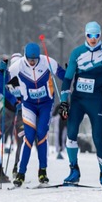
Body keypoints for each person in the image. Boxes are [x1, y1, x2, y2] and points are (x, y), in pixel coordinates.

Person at [58, 21, 102, 189]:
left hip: (95, 100)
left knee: (98, 138)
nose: (93, 39)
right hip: (78, 100)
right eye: (90, 35)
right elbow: (67, 79)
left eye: (96, 35)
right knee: (71, 133)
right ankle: (74, 170)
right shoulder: (77, 53)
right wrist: (63, 102)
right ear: (85, 35)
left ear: (100, 35)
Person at [5, 43, 66, 187]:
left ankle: (42, 171)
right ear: (25, 56)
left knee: (41, 134)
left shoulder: (46, 61)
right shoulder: (17, 66)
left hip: (46, 104)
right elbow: (3, 85)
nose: (32, 61)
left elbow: (63, 75)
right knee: (29, 137)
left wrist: (69, 73)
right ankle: (21, 173)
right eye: (30, 59)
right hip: (29, 105)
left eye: (35, 59)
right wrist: (15, 95)